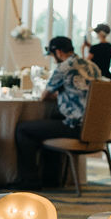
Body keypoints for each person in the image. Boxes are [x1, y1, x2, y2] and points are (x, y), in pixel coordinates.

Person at [14, 36, 101, 189]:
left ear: (59, 52)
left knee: (23, 130)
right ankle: (51, 180)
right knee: (53, 120)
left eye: (53, 56)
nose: (54, 60)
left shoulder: (64, 67)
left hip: (75, 126)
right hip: (94, 127)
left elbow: (44, 96)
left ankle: (30, 181)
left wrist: (57, 94)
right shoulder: (93, 66)